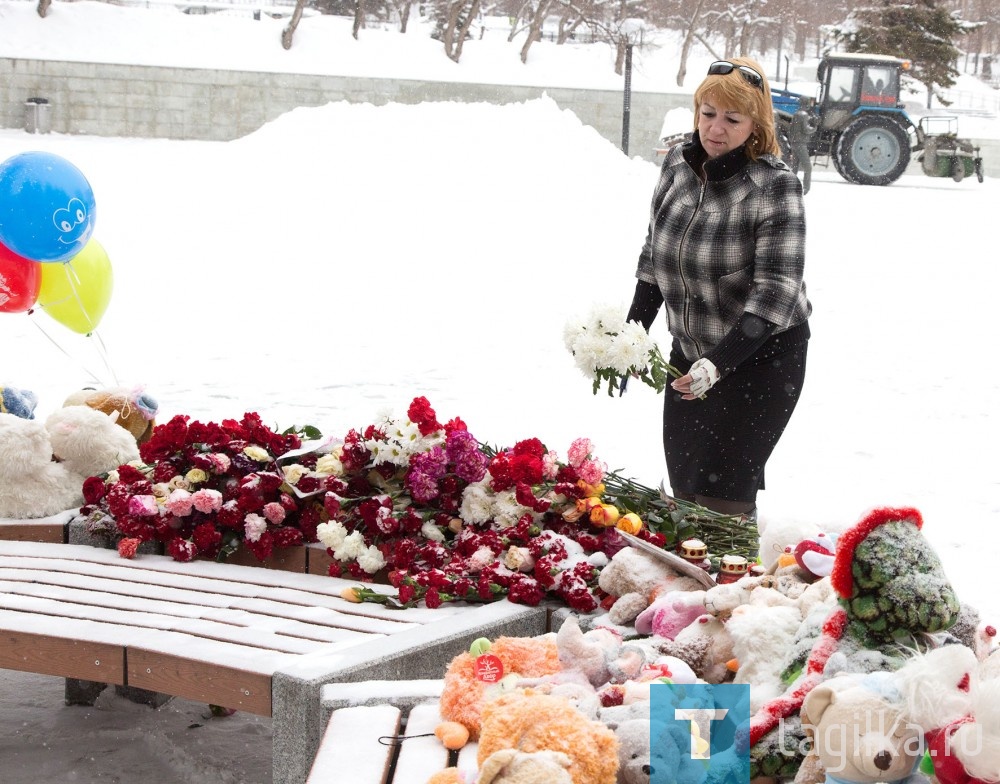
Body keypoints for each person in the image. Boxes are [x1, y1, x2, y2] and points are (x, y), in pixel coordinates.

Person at [624, 56, 811, 520]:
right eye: (708, 114)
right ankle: (692, 586)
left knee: (723, 495)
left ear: (755, 124)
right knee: (686, 488)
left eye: (732, 118)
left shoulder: (775, 186)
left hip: (762, 360)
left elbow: (776, 292)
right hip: (689, 354)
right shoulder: (676, 167)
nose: (716, 129)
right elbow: (654, 256)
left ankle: (733, 584)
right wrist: (629, 334)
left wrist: (719, 364)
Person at [789, 97, 817, 194]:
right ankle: (806, 188)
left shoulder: (796, 114)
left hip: (794, 143)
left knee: (795, 167)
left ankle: (790, 186)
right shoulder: (804, 115)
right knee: (807, 167)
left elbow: (791, 129)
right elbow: (806, 130)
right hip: (801, 143)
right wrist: (814, 128)